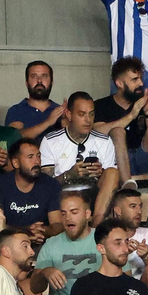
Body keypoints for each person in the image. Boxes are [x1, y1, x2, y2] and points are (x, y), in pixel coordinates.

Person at [37, 93, 119, 221]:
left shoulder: (104, 141)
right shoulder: (50, 141)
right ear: (69, 115)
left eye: (91, 114)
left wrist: (100, 173)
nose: (88, 120)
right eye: (82, 114)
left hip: (93, 197)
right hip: (63, 196)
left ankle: (96, 227)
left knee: (112, 172)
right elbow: (45, 185)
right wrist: (69, 175)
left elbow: (111, 183)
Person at [92, 59, 148, 183]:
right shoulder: (101, 105)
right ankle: (127, 187)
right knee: (117, 132)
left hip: (142, 156)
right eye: (134, 80)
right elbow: (97, 132)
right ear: (119, 83)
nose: (141, 83)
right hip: (115, 161)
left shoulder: (144, 102)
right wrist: (131, 115)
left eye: (141, 78)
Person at [5, 61, 65, 141]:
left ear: (52, 82)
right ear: (26, 83)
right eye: (34, 76)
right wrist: (48, 122)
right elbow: (14, 139)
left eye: (44, 76)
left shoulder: (59, 111)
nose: (39, 81)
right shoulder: (15, 111)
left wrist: (66, 119)